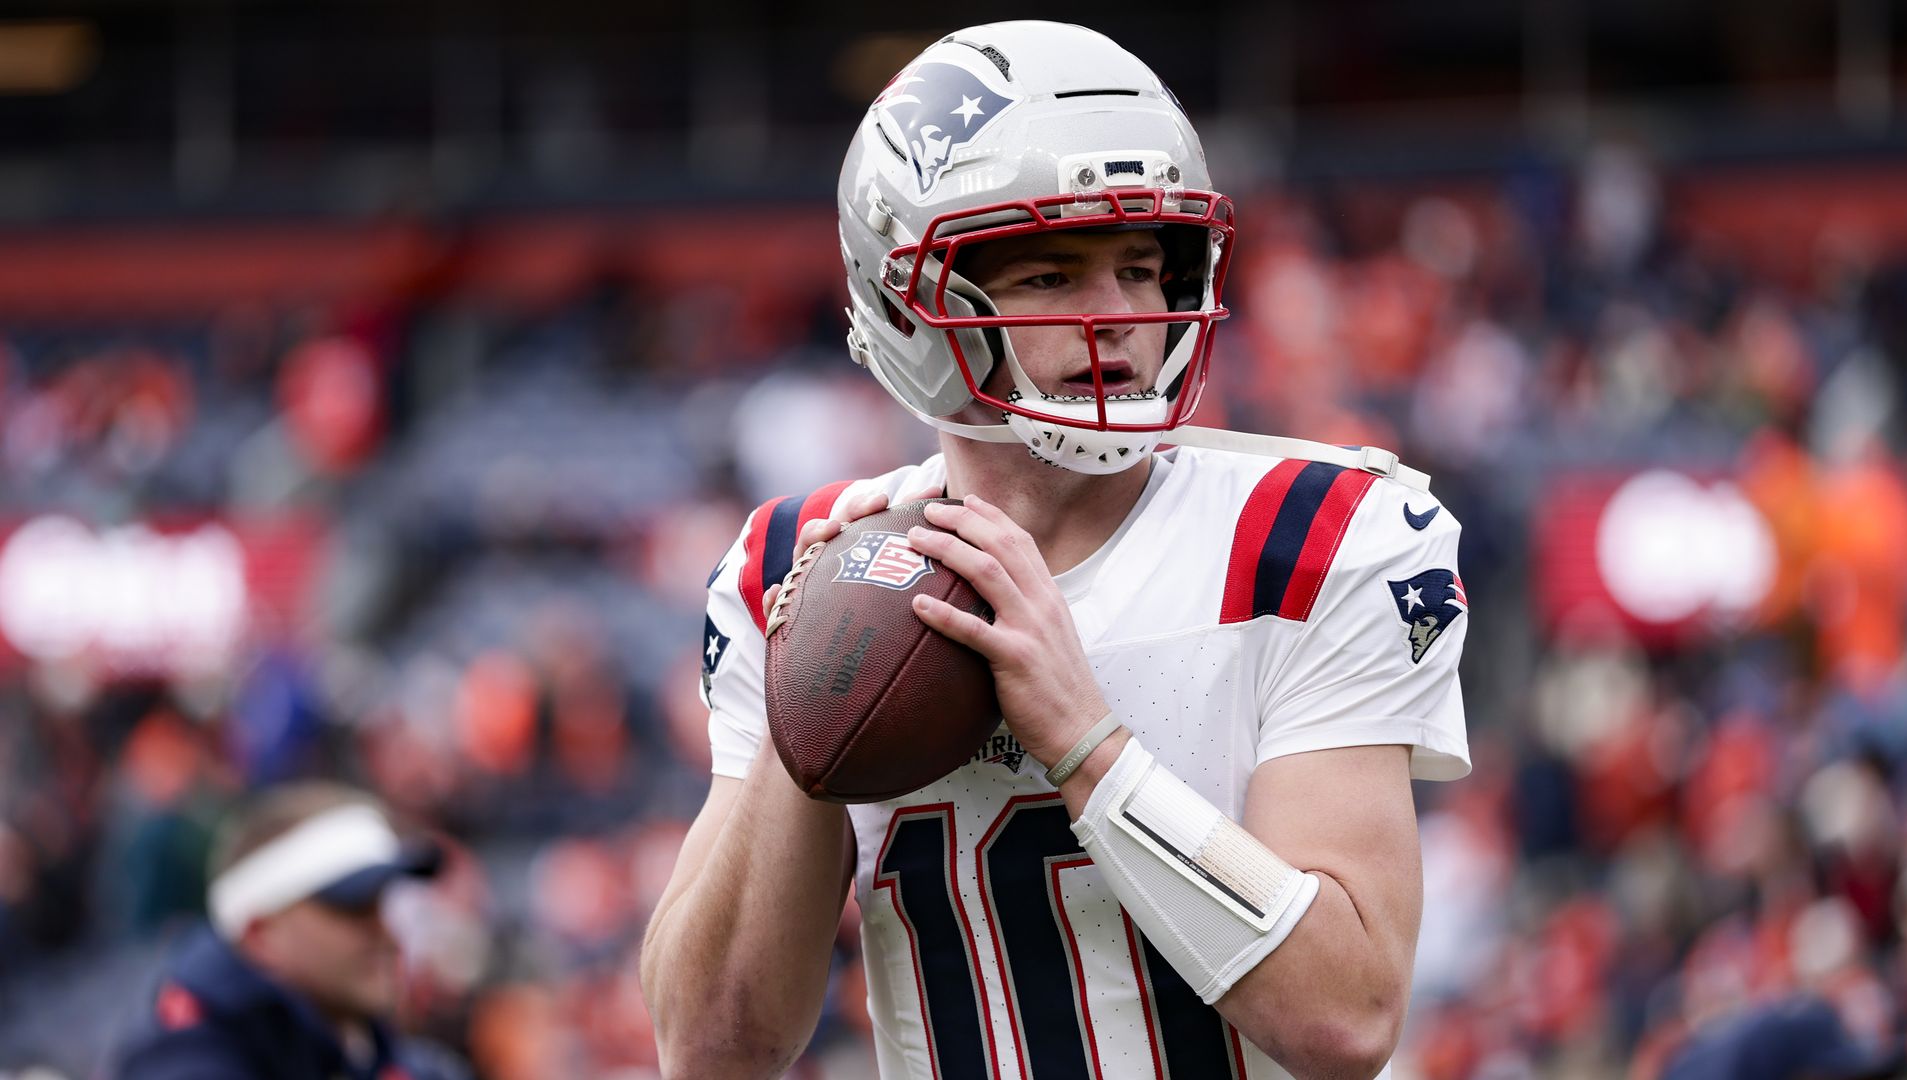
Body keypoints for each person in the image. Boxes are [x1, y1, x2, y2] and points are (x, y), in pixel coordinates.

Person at [642, 20, 1471, 1080]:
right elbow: (711, 1050)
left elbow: (1348, 1017)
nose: (1119, 316)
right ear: (912, 299)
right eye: (1049, 276)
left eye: (1141, 265)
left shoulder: (1316, 535)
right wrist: (814, 709)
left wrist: (1088, 746)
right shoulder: (802, 564)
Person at [112, 781, 465, 1080]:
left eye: (384, 905)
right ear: (259, 934)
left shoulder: (405, 1064)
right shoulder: (187, 1064)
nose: (387, 935)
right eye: (353, 907)